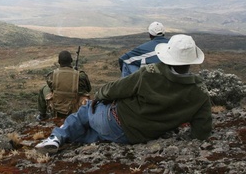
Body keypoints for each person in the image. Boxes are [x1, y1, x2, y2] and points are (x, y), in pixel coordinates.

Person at [35, 34, 212, 154]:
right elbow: (201, 132)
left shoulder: (151, 72)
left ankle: (56, 137)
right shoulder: (200, 93)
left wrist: (100, 95)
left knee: (85, 111)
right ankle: (75, 138)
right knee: (95, 133)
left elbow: (114, 89)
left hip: (116, 122)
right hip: (137, 136)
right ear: (192, 60)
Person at [36, 50, 92, 121]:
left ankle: (42, 115)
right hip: (74, 110)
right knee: (84, 94)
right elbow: (88, 89)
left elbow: (52, 87)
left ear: (59, 62)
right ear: (71, 60)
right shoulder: (80, 76)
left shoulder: (52, 75)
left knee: (44, 88)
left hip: (56, 109)